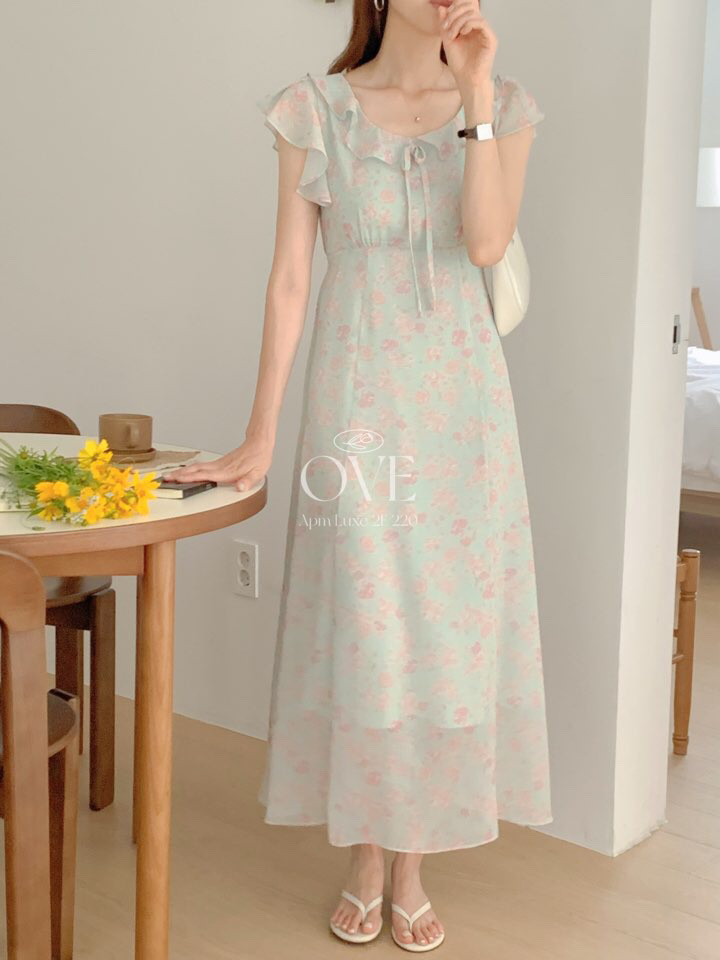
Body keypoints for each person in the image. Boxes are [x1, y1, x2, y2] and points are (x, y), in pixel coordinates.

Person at [162, 0, 552, 950]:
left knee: (448, 637)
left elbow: (486, 243)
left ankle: (412, 862)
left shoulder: (505, 104)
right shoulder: (313, 108)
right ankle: (368, 857)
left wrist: (475, 94)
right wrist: (260, 431)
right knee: (369, 629)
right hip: (358, 398)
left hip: (463, 412)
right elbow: (291, 279)